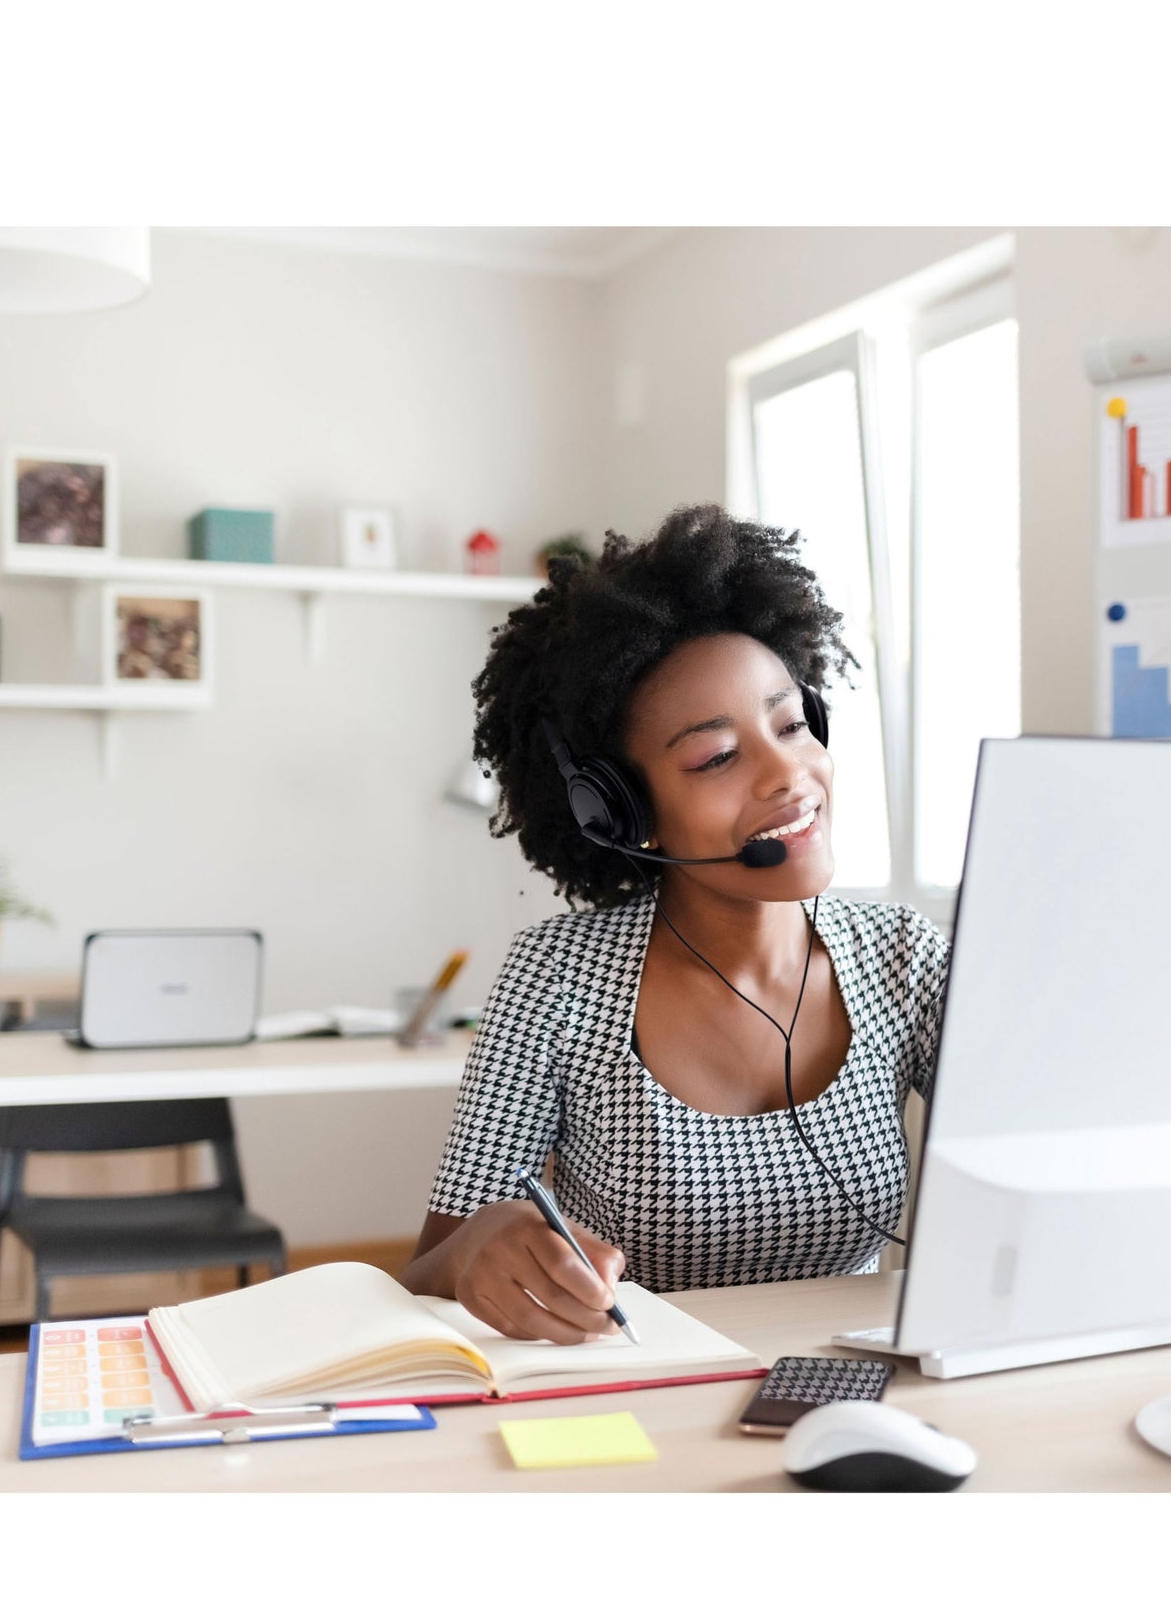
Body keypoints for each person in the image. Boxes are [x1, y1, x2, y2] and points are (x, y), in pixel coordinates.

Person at [400, 504, 950, 1342]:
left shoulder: (903, 957)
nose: (787, 775)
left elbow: (1038, 1163)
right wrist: (481, 1248)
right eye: (716, 757)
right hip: (639, 1390)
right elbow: (428, 1272)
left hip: (848, 1388)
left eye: (792, 724)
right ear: (623, 814)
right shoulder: (558, 979)